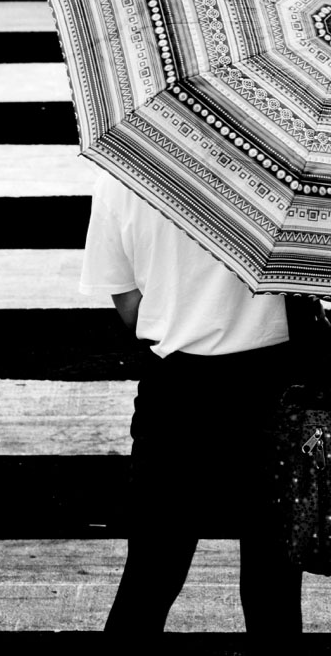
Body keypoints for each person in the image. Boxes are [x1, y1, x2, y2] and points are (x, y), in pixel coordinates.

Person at [79, 172, 306, 636]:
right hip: (273, 388)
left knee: (152, 570)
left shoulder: (123, 178)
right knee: (273, 583)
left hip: (177, 392)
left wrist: (183, 313)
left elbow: (127, 303)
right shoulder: (284, 176)